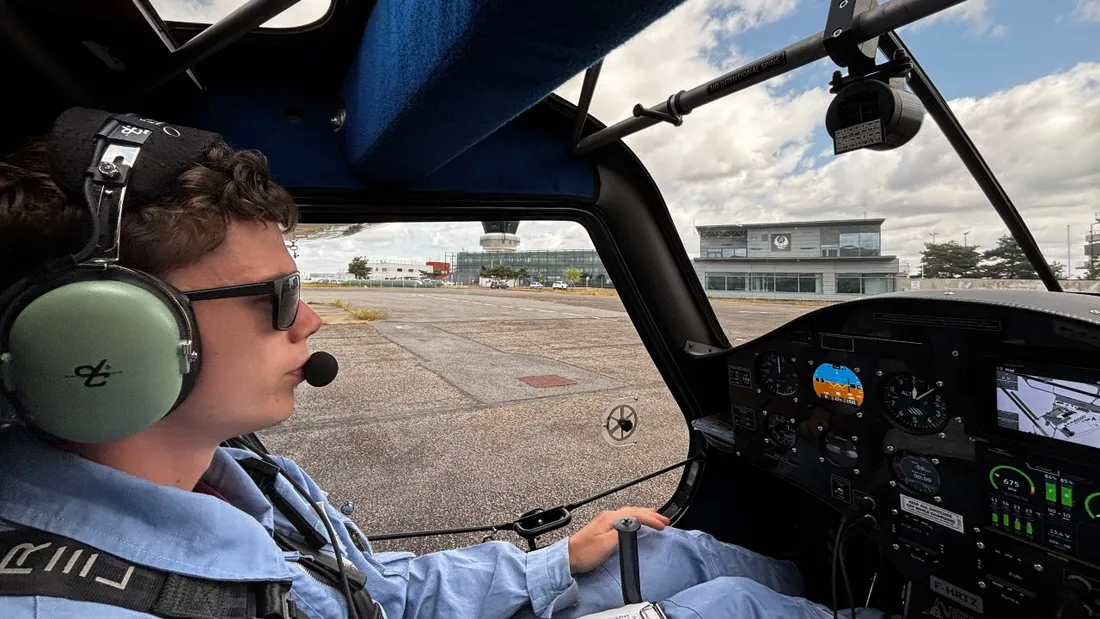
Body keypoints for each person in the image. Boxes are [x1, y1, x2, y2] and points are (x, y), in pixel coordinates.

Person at [0, 108, 882, 619]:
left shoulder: (237, 477)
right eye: (271, 296)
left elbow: (368, 592)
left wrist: (553, 564)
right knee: (722, 610)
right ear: (105, 342)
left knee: (665, 553)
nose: (307, 318)